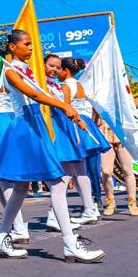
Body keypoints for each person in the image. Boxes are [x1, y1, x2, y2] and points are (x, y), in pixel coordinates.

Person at [0, 31, 105, 264]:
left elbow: (43, 92)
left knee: (20, 188)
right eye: (26, 44)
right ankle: (70, 243)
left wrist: (72, 113)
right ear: (12, 47)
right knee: (57, 183)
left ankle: (0, 237)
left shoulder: (28, 70)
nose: (31, 48)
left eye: (32, 44)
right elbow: (33, 94)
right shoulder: (10, 71)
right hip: (25, 127)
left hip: (35, 124)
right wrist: (62, 105)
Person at [43, 54, 100, 227]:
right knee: (68, 173)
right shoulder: (39, 84)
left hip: (65, 128)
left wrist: (77, 124)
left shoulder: (64, 87)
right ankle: (84, 209)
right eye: (51, 66)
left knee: (70, 173)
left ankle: (59, 215)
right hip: (54, 128)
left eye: (58, 67)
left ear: (64, 70)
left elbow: (67, 109)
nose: (55, 70)